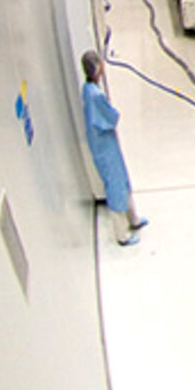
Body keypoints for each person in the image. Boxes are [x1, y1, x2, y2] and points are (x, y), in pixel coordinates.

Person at [79, 50, 147, 246]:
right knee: (116, 185)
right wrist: (115, 113)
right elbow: (110, 117)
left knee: (123, 180)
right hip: (104, 146)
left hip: (106, 143)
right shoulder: (95, 95)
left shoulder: (88, 88)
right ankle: (122, 234)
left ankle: (133, 219)